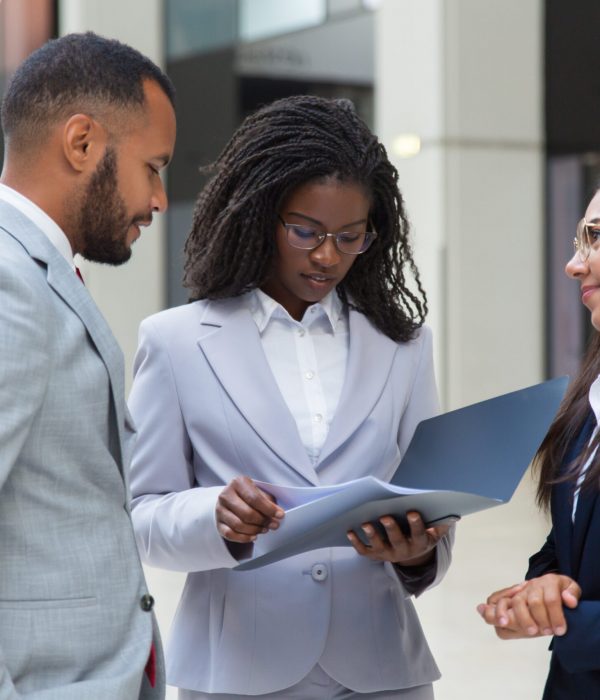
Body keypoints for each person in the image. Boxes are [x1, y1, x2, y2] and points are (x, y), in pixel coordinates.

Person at [129, 95, 454, 700]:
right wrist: (215, 518)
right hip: (237, 672)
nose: (327, 255)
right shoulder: (175, 342)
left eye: (350, 236)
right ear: (260, 214)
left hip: (382, 672)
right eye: (306, 231)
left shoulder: (404, 347)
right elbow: (143, 513)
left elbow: (431, 501)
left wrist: (417, 553)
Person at [0, 32, 176, 698]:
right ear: (81, 143)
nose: (159, 200)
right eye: (152, 167)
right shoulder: (9, 281)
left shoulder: (38, 269)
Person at [477, 189, 600, 698]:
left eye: (594, 238)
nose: (574, 265)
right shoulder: (585, 402)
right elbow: (571, 546)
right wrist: (543, 590)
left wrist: (571, 623)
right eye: (578, 240)